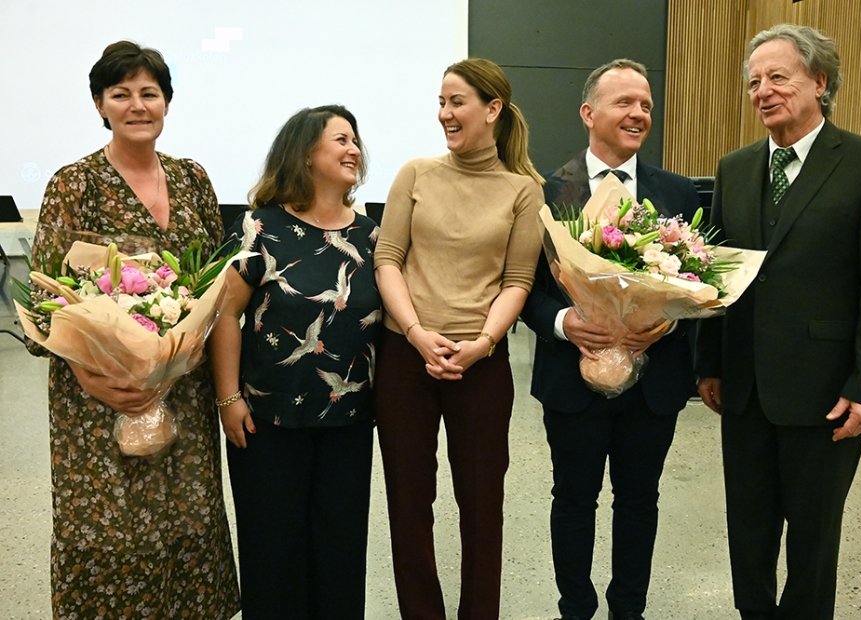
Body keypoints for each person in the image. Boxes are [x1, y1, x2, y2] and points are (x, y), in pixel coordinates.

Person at [694, 24, 861, 620]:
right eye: (754, 81)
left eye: (778, 77)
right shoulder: (734, 168)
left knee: (813, 541)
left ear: (819, 81)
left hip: (825, 390)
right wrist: (709, 362)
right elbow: (717, 274)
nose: (763, 91)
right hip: (743, 389)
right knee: (749, 532)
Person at [26, 41, 239, 619]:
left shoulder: (193, 179)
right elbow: (46, 302)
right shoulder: (75, 184)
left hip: (184, 390)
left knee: (189, 520)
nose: (137, 105)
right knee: (111, 532)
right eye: (121, 94)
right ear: (101, 103)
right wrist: (94, 378)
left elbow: (213, 285)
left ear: (167, 102)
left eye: (149, 93)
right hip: (98, 400)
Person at [520, 59, 700, 620]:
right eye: (624, 102)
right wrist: (564, 324)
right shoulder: (545, 192)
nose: (639, 113)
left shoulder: (678, 192)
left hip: (655, 382)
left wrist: (664, 320)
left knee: (639, 500)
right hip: (571, 377)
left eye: (645, 104)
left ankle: (629, 610)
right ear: (588, 113)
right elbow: (521, 289)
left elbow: (697, 284)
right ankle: (575, 607)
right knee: (573, 500)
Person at [373, 57, 544, 620]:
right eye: (441, 102)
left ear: (492, 109)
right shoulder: (416, 174)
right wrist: (419, 335)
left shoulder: (524, 191)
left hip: (483, 364)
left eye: (457, 102)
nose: (445, 113)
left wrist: (483, 343)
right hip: (406, 358)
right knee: (408, 503)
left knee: (481, 504)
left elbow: (518, 281)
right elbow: (388, 260)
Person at [208, 105, 380, 619]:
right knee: (273, 554)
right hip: (266, 423)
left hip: (349, 422)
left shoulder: (372, 236)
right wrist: (228, 397)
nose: (355, 150)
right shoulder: (259, 227)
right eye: (341, 140)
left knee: (341, 553)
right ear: (305, 154)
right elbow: (222, 314)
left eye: (356, 141)